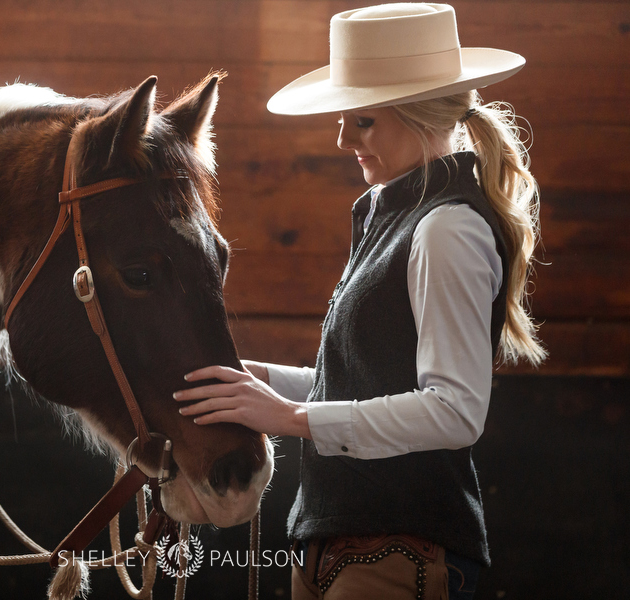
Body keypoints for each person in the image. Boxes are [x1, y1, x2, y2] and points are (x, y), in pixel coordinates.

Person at [172, 3, 546, 599]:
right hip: (336, 548)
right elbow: (371, 383)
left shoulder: (446, 228)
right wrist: (263, 382)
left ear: (422, 117)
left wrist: (291, 418)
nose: (342, 138)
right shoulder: (396, 213)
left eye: (363, 121)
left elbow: (455, 411)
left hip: (398, 554)